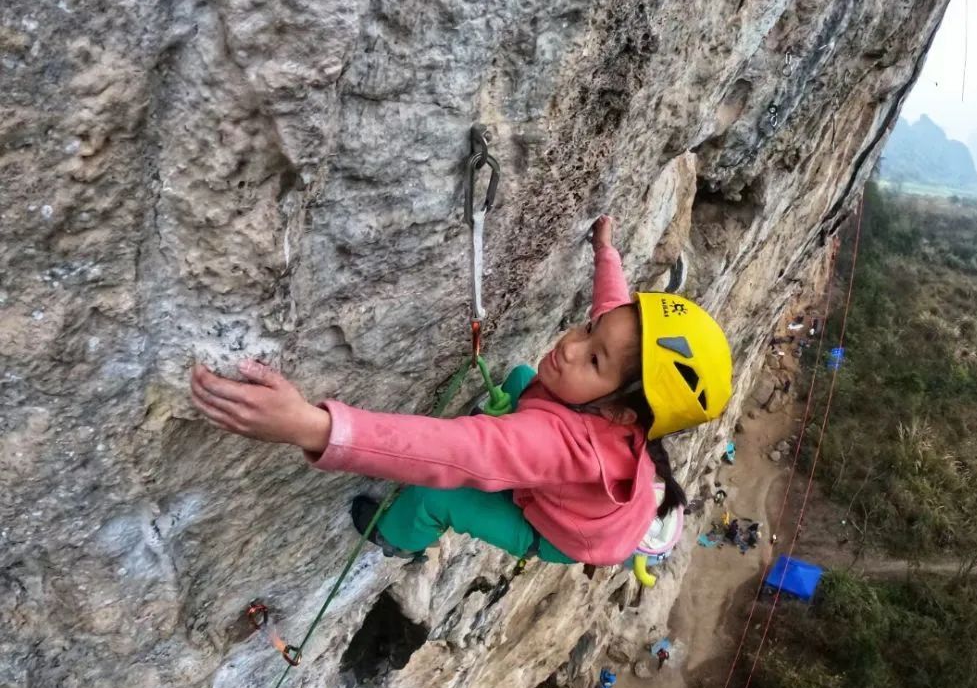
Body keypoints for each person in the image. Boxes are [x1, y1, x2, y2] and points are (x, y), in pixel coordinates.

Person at [189, 217, 732, 569]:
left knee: (438, 497)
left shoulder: (562, 443)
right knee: (522, 378)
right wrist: (605, 253)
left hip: (563, 535)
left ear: (619, 410)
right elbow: (611, 314)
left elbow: (453, 453)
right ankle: (514, 453)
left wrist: (310, 426)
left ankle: (397, 539)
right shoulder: (619, 390)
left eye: (593, 359)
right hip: (584, 489)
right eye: (588, 331)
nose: (571, 346)